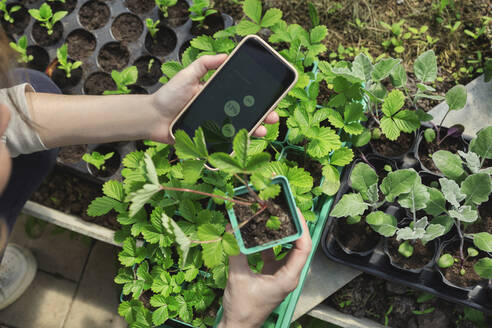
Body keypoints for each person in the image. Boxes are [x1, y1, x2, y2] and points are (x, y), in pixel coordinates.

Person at [0, 28, 312, 326]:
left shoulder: (4, 115)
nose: (4, 115)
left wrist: (154, 112)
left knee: (37, 87)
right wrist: (238, 322)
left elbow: (10, 117)